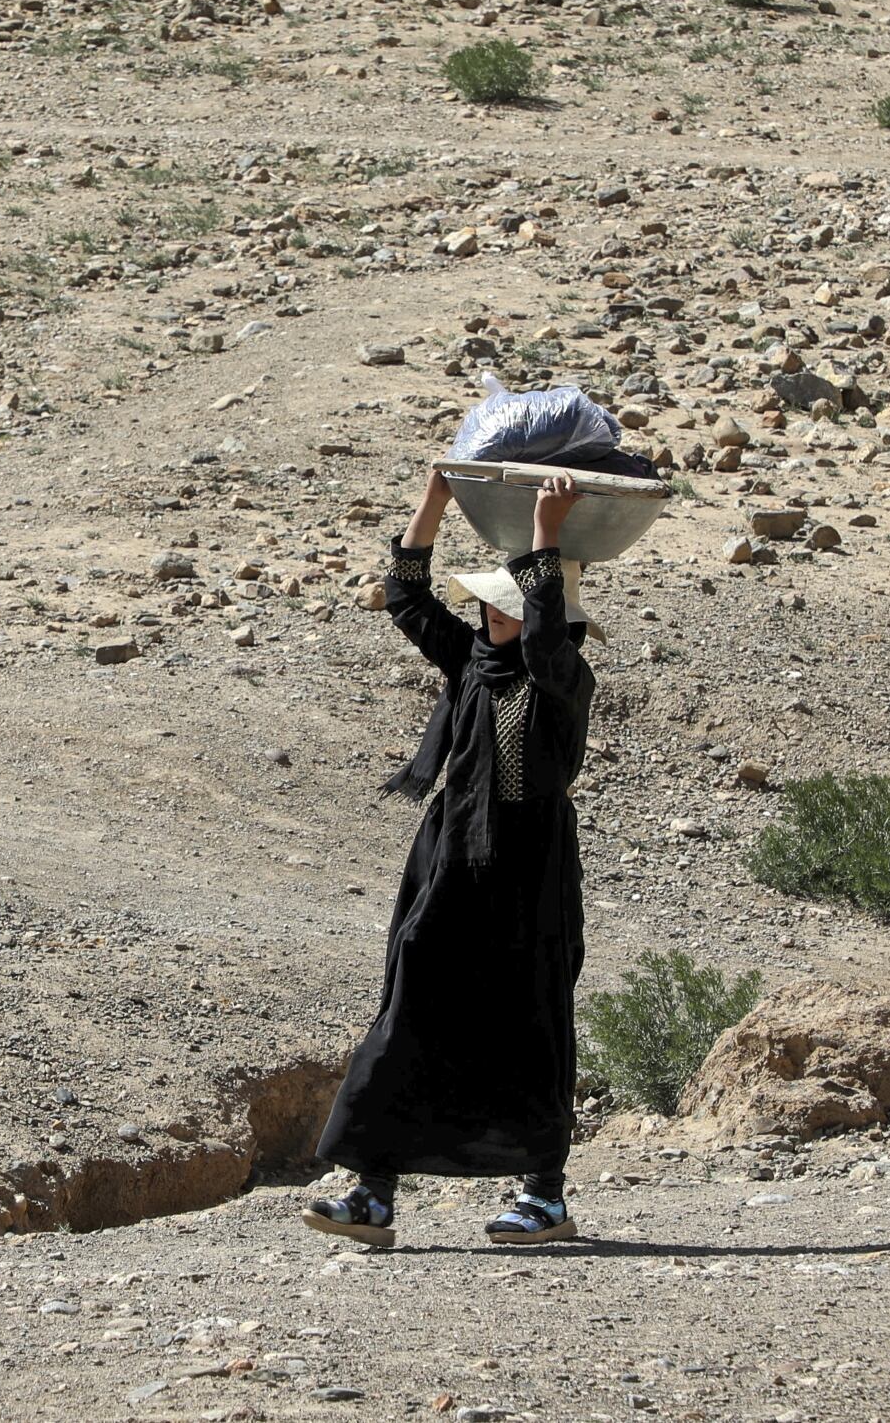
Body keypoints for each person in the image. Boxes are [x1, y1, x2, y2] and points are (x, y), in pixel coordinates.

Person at [304, 466, 594, 1248]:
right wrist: (432, 499)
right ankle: (373, 1191)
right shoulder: (470, 662)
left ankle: (545, 1194)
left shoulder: (564, 678)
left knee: (532, 1018)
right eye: (489, 604)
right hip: (449, 863)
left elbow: (542, 637)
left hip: (528, 874)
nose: (487, 616)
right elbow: (405, 596)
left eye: (503, 603)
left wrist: (547, 533)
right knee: (413, 1007)